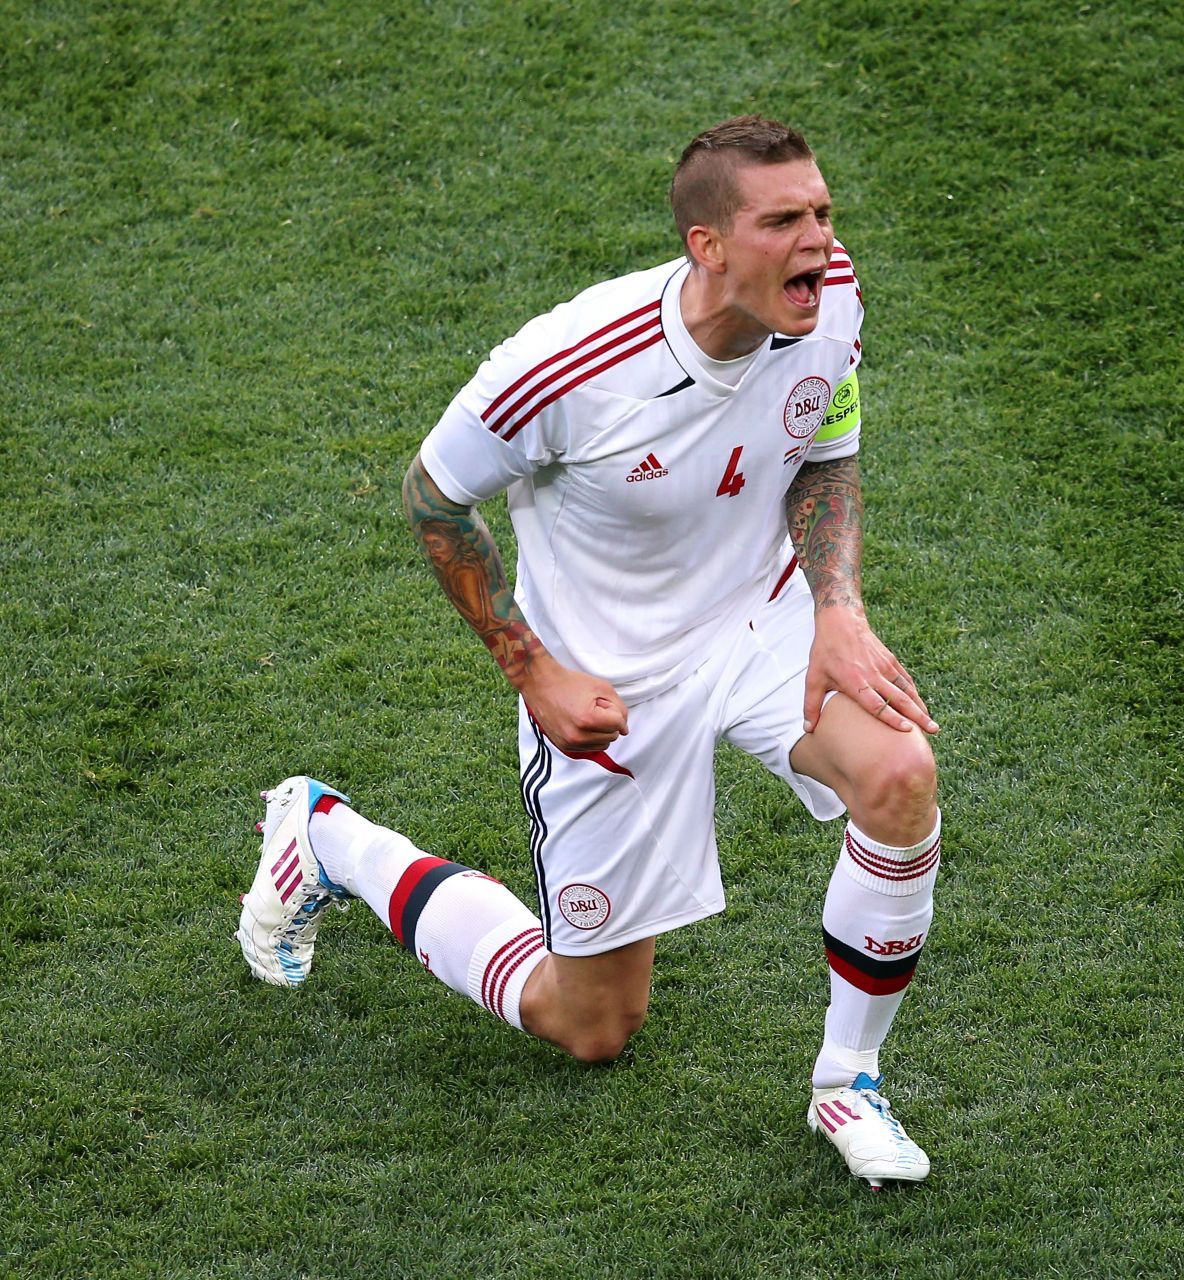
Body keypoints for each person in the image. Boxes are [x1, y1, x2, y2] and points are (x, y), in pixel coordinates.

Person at [235, 116, 942, 1188]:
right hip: (611, 681)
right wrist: (535, 669)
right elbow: (435, 495)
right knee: (591, 1022)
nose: (817, 240)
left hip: (761, 622)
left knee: (900, 774)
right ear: (708, 245)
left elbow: (825, 447)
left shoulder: (831, 294)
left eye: (823, 211)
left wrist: (836, 605)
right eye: (784, 220)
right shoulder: (571, 364)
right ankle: (328, 840)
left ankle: (850, 1078)